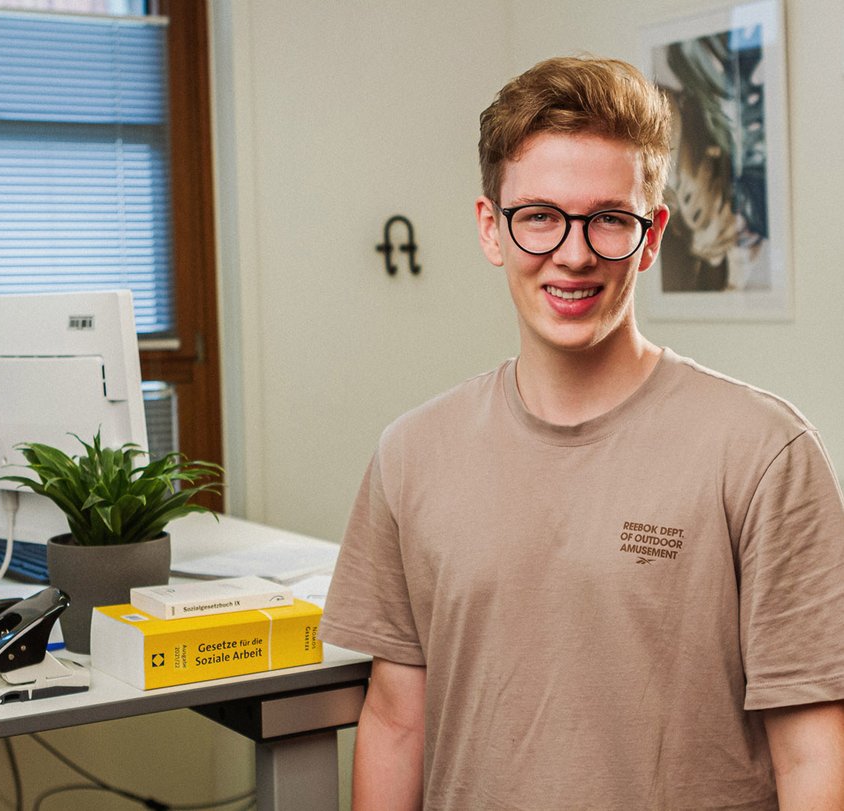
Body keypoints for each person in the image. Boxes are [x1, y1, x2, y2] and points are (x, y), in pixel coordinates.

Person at [318, 55, 844, 810]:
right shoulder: (410, 454)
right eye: (539, 216)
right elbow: (398, 723)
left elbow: (813, 753)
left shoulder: (764, 454)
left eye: (609, 218)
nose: (574, 253)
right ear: (491, 229)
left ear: (652, 235)